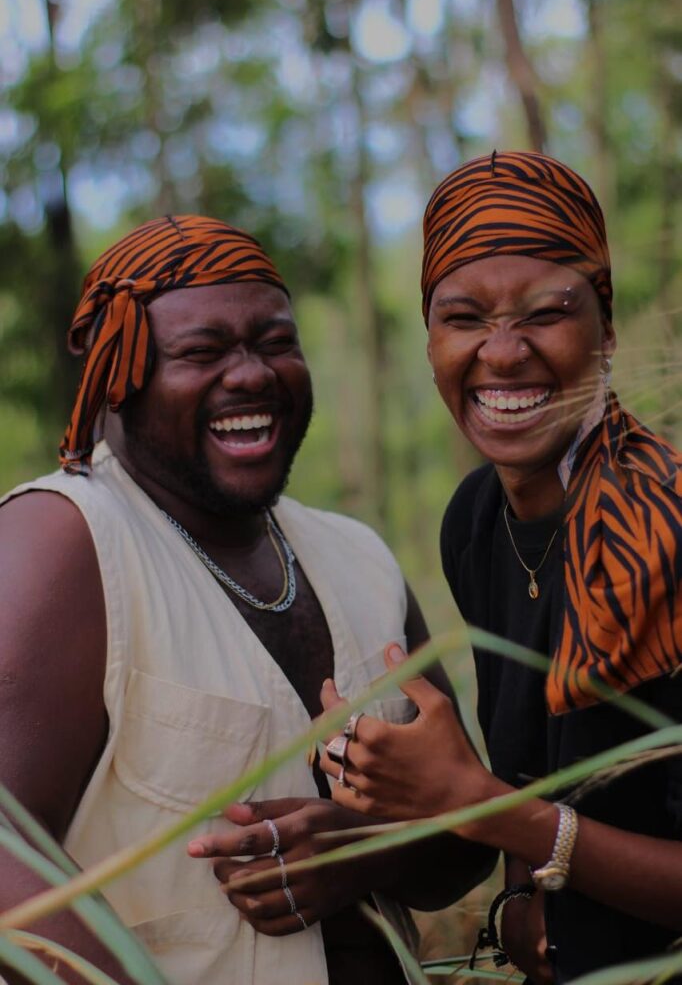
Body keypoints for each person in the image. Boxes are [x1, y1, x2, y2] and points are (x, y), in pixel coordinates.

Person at [0, 215, 493, 985]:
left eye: (275, 342)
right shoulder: (62, 542)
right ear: (116, 376)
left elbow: (469, 841)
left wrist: (364, 849)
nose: (253, 374)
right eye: (201, 352)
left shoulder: (360, 558)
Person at [321, 151, 682, 984]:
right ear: (430, 339)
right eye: (464, 317)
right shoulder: (477, 522)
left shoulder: (666, 530)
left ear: (608, 325)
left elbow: (504, 802)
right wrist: (520, 894)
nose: (504, 351)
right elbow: (528, 768)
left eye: (545, 313)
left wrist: (478, 807)